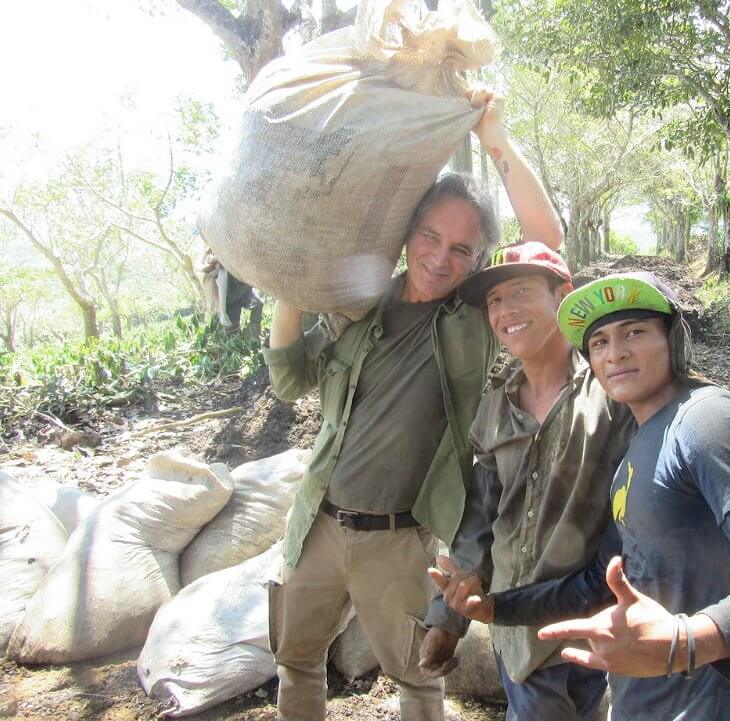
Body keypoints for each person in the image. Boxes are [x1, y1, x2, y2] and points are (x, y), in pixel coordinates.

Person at [427, 255, 730, 721]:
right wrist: (490, 610)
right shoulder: (628, 445)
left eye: (635, 332)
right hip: (612, 671)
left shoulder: (684, 417)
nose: (615, 352)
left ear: (673, 340)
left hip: (701, 689)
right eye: (600, 341)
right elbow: (594, 573)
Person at [261, 90, 562, 721]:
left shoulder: (476, 316)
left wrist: (495, 139)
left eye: (461, 250)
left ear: (480, 262)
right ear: (408, 234)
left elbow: (545, 239)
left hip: (402, 537)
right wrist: (291, 284)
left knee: (420, 680)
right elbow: (289, 381)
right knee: (296, 662)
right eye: (430, 236)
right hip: (318, 522)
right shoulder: (357, 307)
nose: (439, 257)